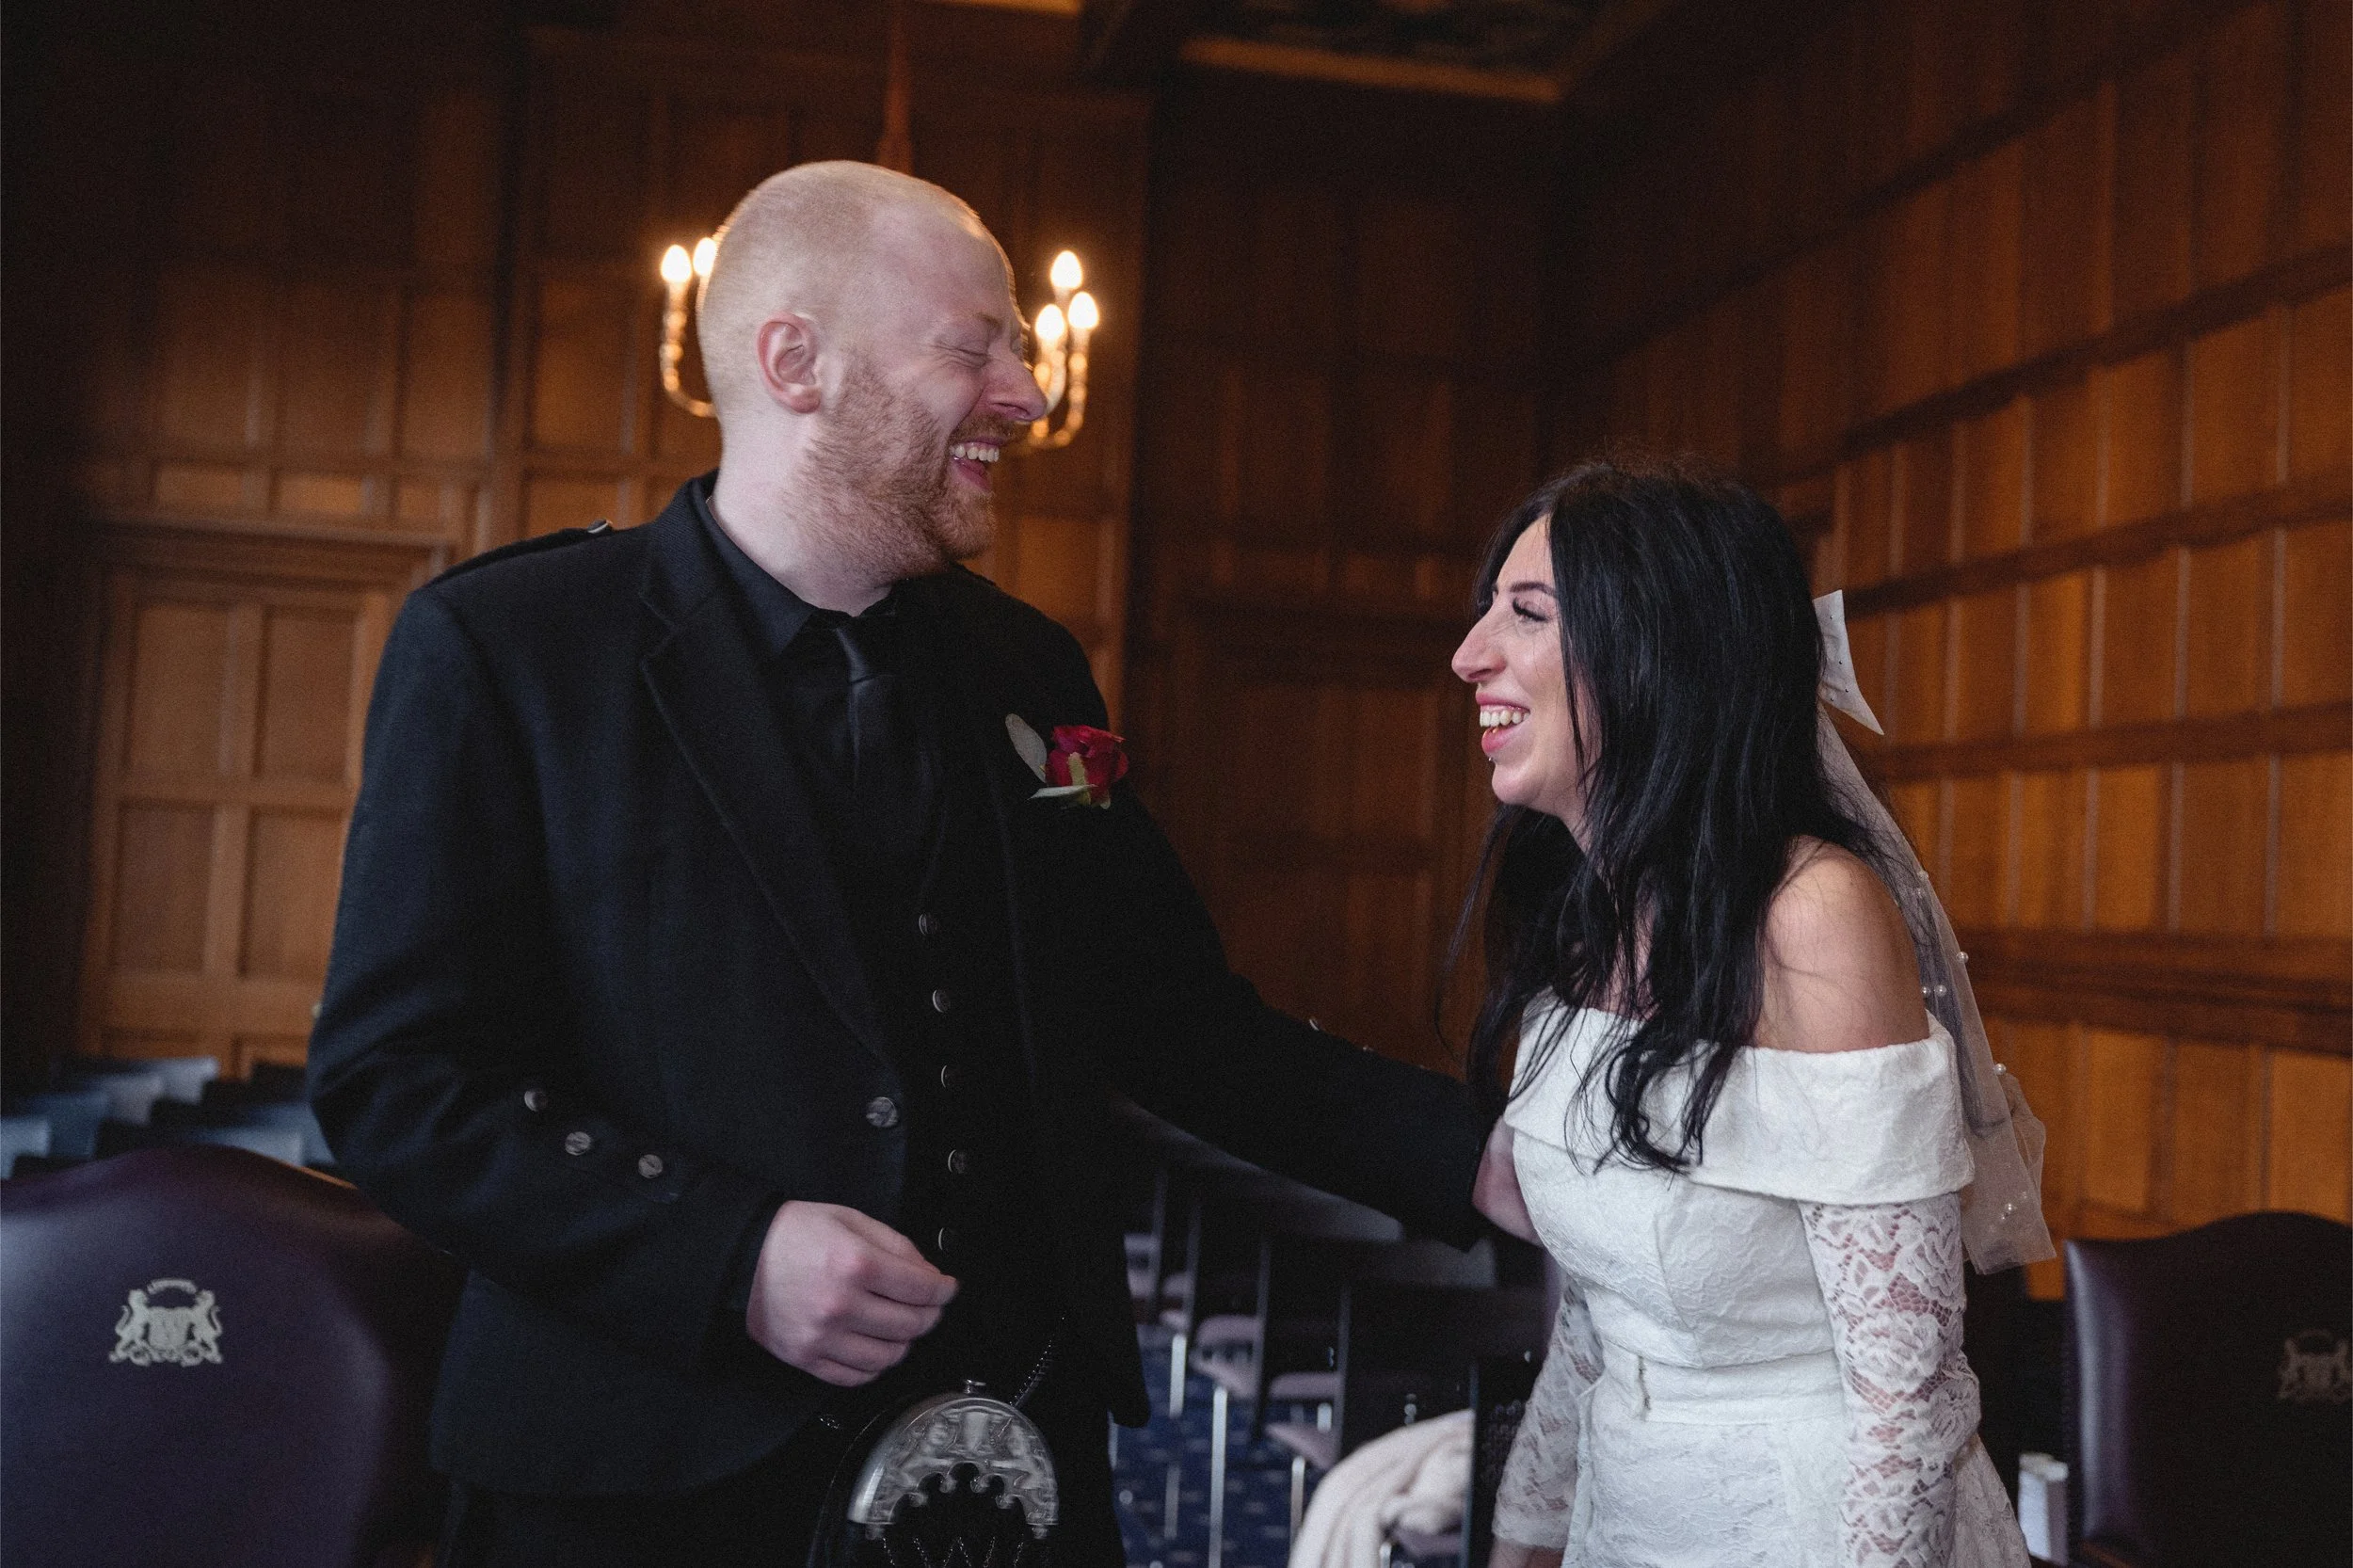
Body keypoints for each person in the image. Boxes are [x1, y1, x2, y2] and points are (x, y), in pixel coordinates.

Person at [309, 161, 1507, 1567]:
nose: (1029, 393)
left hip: (1006, 1471)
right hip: (634, 1492)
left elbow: (1180, 1022)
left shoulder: (1029, 667)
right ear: (794, 360)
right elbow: (395, 1083)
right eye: (976, 344)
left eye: (1021, 343)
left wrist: (1487, 1157)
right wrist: (726, 1253)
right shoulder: (513, 650)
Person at [1450, 460, 2050, 1568]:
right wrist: (1526, 1533)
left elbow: (1902, 1394)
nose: (1468, 653)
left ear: (1658, 655)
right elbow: (1601, 1312)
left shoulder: (1813, 916)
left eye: (1524, 614)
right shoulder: (1589, 925)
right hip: (1622, 1519)